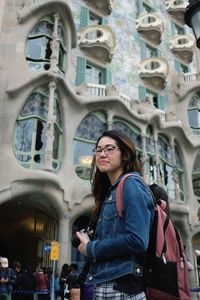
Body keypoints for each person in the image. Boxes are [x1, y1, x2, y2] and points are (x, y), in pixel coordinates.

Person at [76, 130, 155, 300]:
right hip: (108, 284)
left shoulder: (131, 185)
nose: (102, 154)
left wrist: (91, 248)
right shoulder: (112, 191)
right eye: (98, 150)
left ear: (125, 154)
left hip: (121, 288)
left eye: (109, 149)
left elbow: (138, 240)